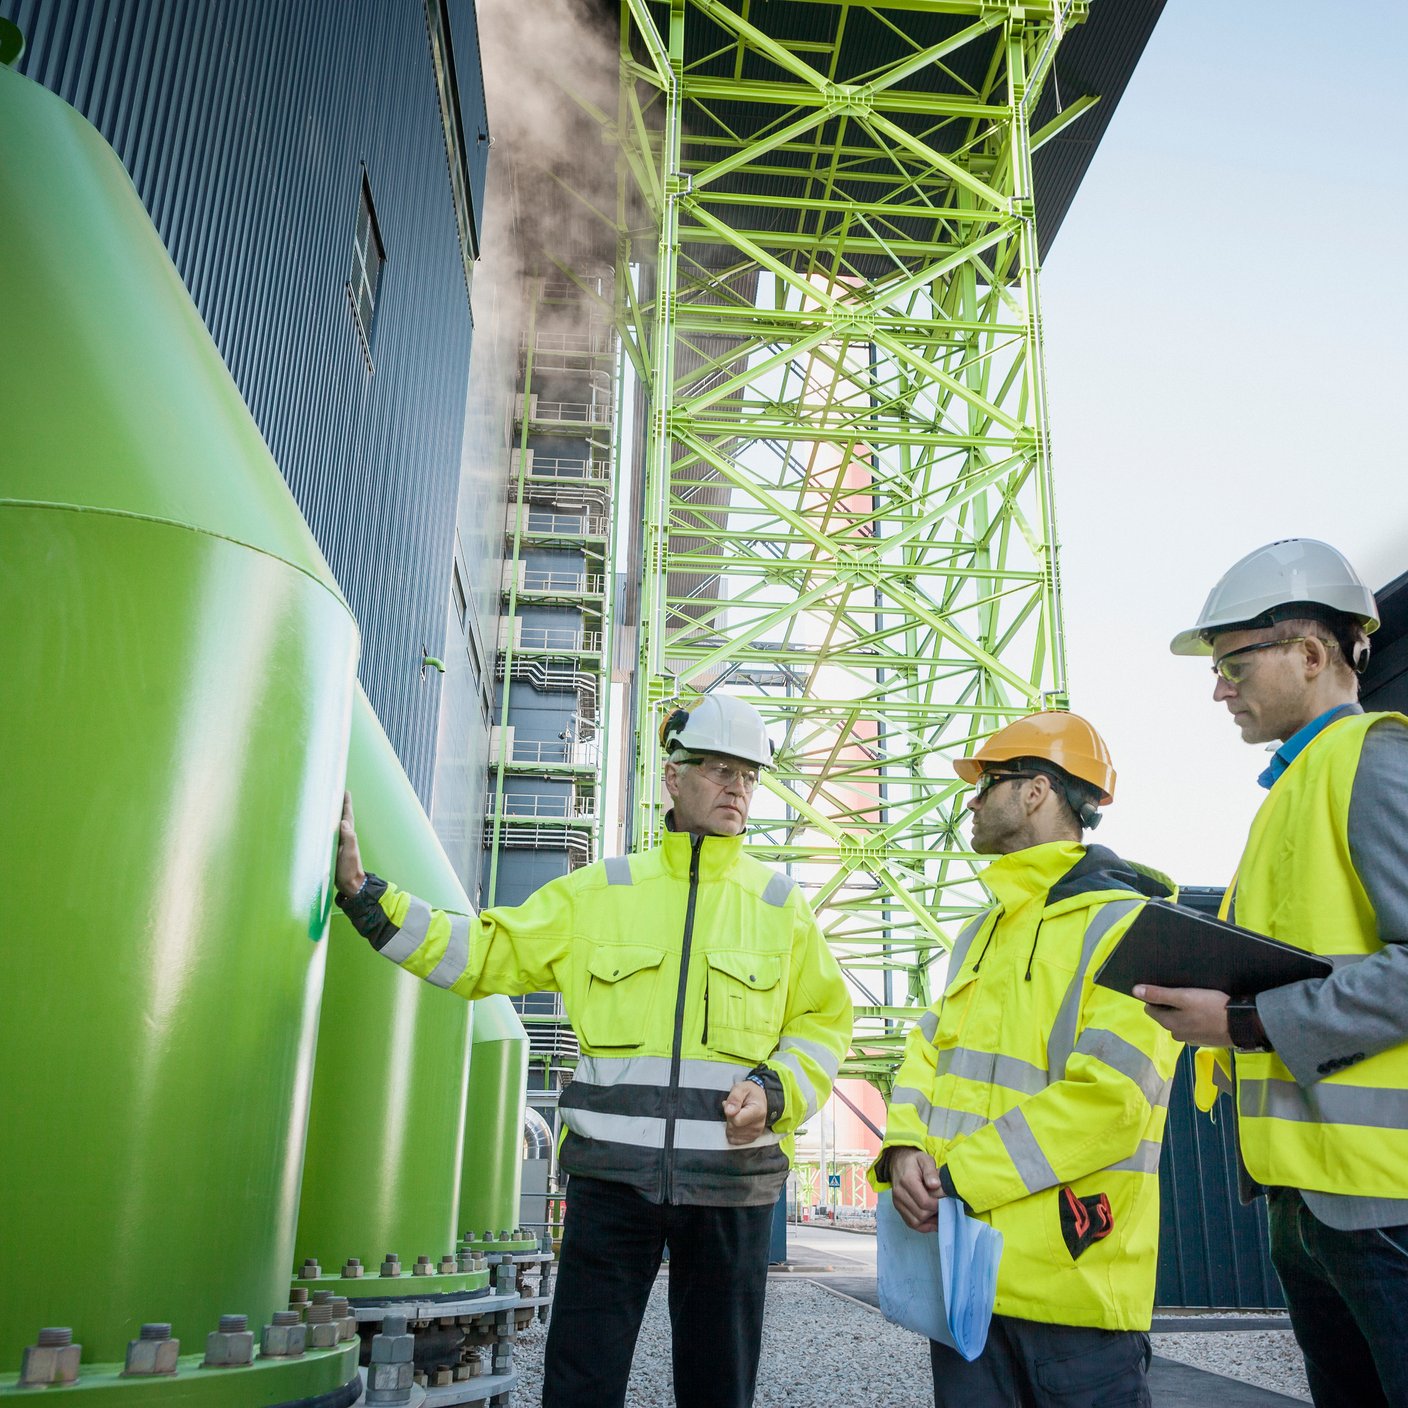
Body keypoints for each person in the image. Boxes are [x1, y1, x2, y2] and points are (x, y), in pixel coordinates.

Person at [334, 694, 852, 1408]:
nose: (737, 787)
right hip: (613, 1186)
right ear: (675, 779)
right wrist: (370, 902)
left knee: (720, 1389)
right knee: (580, 1382)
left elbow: (823, 1022)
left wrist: (778, 1089)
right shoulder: (601, 895)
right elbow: (486, 951)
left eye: (750, 775)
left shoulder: (779, 905)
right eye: (720, 769)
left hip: (733, 1187)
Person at [1143, 538, 1408, 1408]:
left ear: (1309, 654)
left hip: (1385, 1205)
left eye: (1233, 664)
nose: (1220, 688)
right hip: (1307, 1200)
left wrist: (1244, 1024)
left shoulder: (1373, 759)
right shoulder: (1290, 792)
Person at [872, 711, 1182, 1408]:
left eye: (988, 785)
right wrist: (903, 1146)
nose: (973, 804)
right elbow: (930, 1051)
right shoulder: (981, 932)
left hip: (1072, 1289)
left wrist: (956, 1178)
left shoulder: (1130, 924)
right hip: (967, 1281)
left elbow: (1111, 1103)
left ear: (1037, 792)